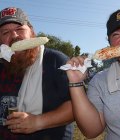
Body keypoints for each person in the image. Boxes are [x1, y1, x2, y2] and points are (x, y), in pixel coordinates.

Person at [0, 7, 74, 140]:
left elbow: (76, 106)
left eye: (19, 29)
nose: (14, 36)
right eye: (5, 32)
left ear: (32, 31)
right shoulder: (2, 66)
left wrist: (38, 122)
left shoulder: (56, 61)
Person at [66, 8, 120, 140]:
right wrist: (76, 83)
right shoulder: (99, 81)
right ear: (109, 44)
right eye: (116, 34)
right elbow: (91, 131)